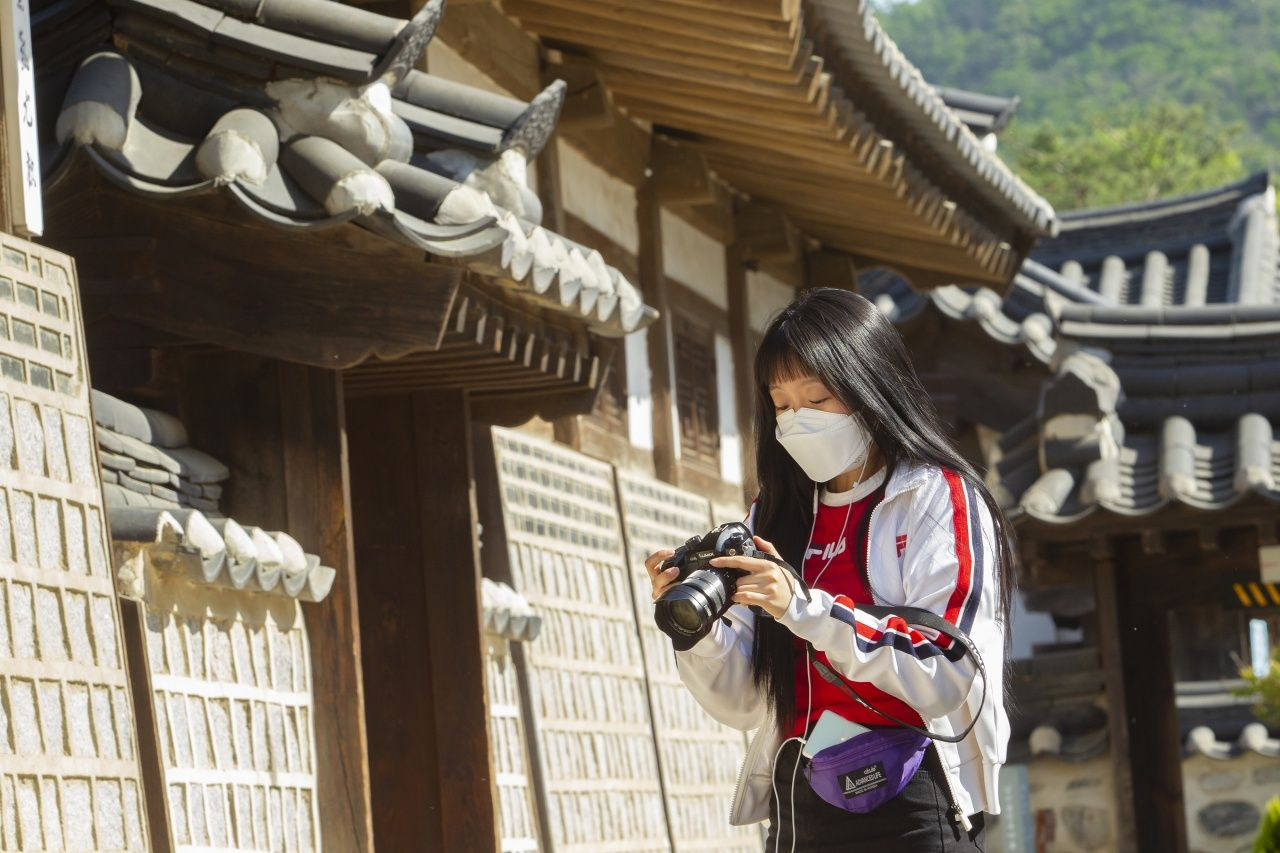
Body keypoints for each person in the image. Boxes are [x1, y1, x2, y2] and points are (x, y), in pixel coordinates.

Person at [645, 288, 1012, 852]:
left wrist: (804, 609)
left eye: (817, 399)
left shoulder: (938, 498)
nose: (797, 421)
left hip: (913, 794)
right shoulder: (774, 517)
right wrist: (698, 633)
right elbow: (743, 700)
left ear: (871, 389)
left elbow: (950, 669)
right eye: (782, 405)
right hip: (800, 798)